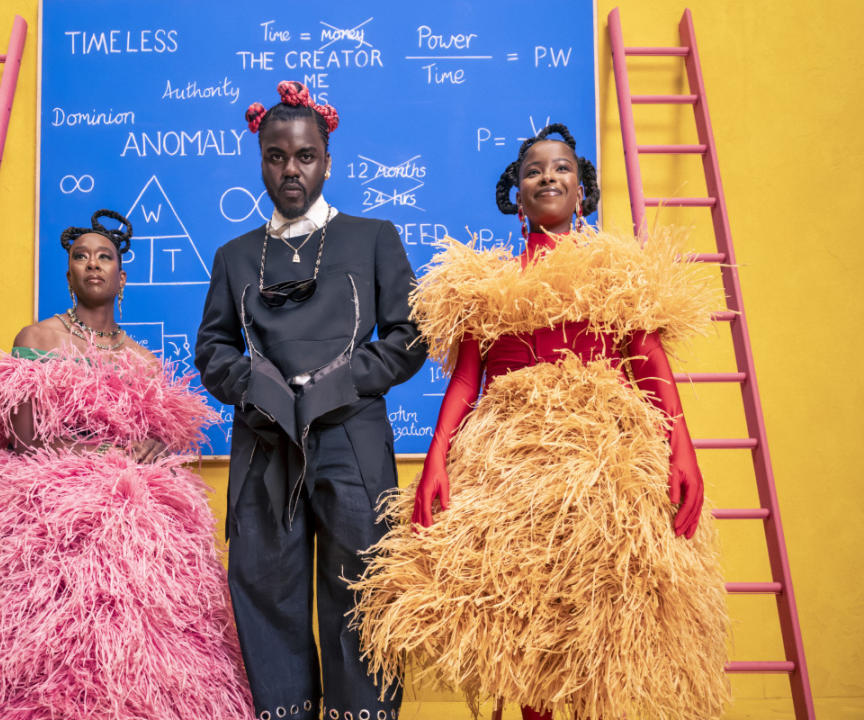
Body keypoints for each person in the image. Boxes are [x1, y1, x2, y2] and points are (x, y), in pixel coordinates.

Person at [350, 125, 730, 720]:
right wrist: (435, 462)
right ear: (517, 197)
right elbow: (467, 379)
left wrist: (682, 449)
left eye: (562, 169)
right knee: (526, 630)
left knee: (594, 629)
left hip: (608, 468)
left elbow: (649, 362)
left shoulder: (618, 271)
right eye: (533, 171)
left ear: (582, 193)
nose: (547, 177)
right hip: (508, 472)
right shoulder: (486, 283)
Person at [0, 210, 254, 720]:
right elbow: (26, 443)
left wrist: (155, 448)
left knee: (149, 538)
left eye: (104, 257)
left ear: (121, 277)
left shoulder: (142, 361)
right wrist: (107, 458)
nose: (93, 265)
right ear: (68, 275)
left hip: (127, 507)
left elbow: (154, 440)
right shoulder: (38, 339)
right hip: (46, 506)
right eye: (81, 257)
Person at [195, 81, 427, 720]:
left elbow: (410, 337)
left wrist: (342, 381)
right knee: (266, 584)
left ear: (328, 159)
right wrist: (253, 387)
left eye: (304, 156)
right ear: (260, 159)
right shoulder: (235, 256)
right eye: (276, 156)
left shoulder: (373, 237)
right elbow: (213, 347)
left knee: (362, 587)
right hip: (266, 442)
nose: (289, 170)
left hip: (351, 439)